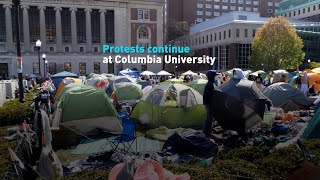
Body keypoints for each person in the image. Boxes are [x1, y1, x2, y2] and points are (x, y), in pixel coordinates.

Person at [203, 70, 219, 137]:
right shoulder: (210, 85)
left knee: (210, 118)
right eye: (215, 76)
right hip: (209, 104)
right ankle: (206, 133)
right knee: (209, 118)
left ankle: (209, 130)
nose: (216, 77)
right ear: (212, 77)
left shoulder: (210, 84)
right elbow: (210, 96)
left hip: (209, 103)